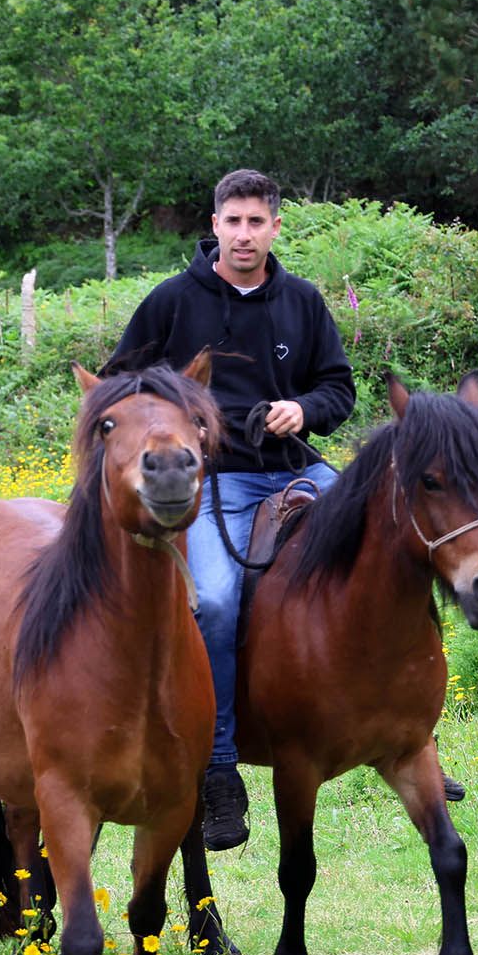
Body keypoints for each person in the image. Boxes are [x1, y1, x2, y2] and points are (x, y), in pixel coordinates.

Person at [105, 169, 350, 851]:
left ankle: (416, 728)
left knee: (391, 541)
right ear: (214, 224)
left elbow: (339, 388)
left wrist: (304, 408)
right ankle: (219, 769)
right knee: (212, 600)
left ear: (275, 227)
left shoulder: (302, 301)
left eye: (257, 222)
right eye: (233, 221)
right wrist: (179, 423)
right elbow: (122, 384)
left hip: (300, 469)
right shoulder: (172, 302)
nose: (245, 234)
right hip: (215, 483)